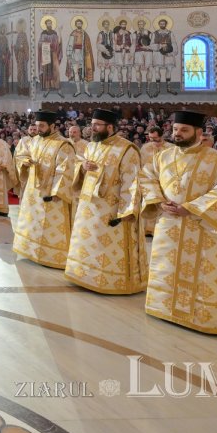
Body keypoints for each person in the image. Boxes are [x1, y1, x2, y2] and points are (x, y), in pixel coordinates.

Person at [140, 110, 217, 334]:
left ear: (198, 132)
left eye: (184, 130)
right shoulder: (162, 156)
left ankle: (204, 316)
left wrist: (191, 208)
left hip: (201, 225)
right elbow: (147, 176)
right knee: (167, 266)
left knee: (203, 272)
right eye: (175, 129)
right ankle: (164, 308)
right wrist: (157, 201)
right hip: (169, 224)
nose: (177, 134)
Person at [64, 109, 146, 294]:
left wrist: (126, 211)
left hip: (110, 207)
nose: (92, 128)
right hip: (88, 206)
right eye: (91, 124)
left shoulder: (127, 149)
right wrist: (83, 167)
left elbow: (132, 181)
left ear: (110, 127)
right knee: (87, 241)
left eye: (97, 125)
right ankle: (82, 274)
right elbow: (81, 166)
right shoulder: (92, 146)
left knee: (105, 246)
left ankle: (108, 280)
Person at [12, 110, 79, 268]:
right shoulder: (35, 141)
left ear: (53, 126)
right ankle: (31, 251)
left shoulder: (64, 144)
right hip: (32, 192)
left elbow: (66, 170)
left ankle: (53, 256)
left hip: (51, 194)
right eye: (37, 126)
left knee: (49, 227)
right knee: (33, 222)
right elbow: (21, 155)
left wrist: (57, 192)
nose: (38, 129)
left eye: (42, 126)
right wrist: (25, 162)